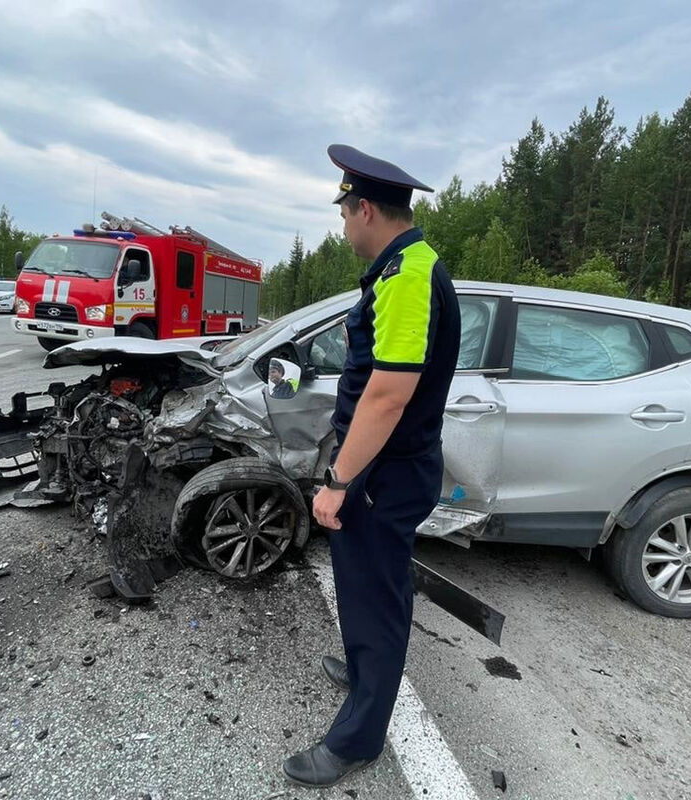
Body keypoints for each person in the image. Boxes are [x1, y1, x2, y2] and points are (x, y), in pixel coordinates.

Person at [282, 145, 461, 787]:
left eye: (344, 211)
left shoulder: (410, 276)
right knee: (363, 590)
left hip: (385, 475)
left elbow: (388, 393)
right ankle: (364, 671)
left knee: (378, 599)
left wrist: (336, 482)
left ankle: (358, 739)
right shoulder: (402, 267)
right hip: (382, 470)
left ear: (364, 209)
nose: (343, 225)